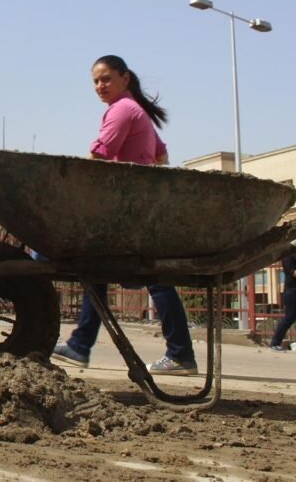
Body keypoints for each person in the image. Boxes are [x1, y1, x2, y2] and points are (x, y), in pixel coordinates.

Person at [53, 55, 199, 376]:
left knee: (151, 280)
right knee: (103, 273)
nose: (100, 86)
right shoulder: (138, 111)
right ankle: (81, 345)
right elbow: (162, 156)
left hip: (127, 211)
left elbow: (97, 156)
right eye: (95, 81)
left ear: (125, 78)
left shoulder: (121, 110)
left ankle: (179, 354)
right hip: (139, 208)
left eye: (106, 79)